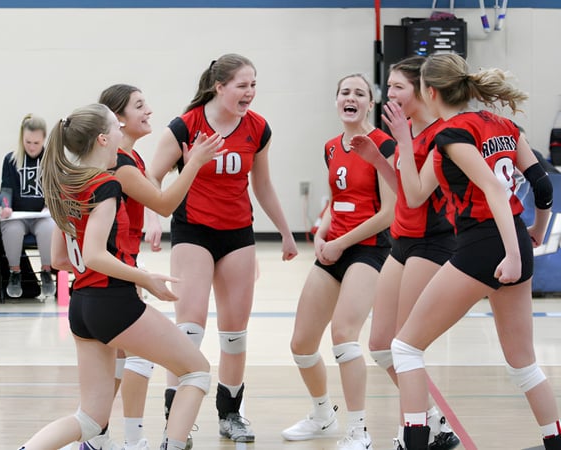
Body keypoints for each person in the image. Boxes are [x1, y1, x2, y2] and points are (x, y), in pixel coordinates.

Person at [377, 53, 561, 450]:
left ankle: (415, 444)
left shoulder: (452, 134)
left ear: (429, 91)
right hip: (512, 236)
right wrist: (535, 233)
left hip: (485, 244)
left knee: (405, 348)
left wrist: (512, 255)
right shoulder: (504, 126)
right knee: (524, 366)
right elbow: (415, 193)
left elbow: (494, 190)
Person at [19, 103, 211, 450]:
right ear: (105, 138)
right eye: (117, 127)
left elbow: (62, 259)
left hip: (81, 306)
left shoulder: (66, 185)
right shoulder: (104, 185)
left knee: (90, 420)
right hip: (111, 301)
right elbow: (93, 253)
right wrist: (143, 276)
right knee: (196, 372)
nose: (123, 131)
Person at [147, 54, 298, 444]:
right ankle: (174, 417)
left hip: (237, 235)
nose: (249, 92)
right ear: (219, 87)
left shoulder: (258, 128)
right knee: (189, 330)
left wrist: (285, 231)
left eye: (253, 84)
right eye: (242, 85)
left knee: (234, 334)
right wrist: (152, 219)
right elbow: (151, 175)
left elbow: (262, 185)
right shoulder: (186, 126)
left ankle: (230, 414)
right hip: (193, 230)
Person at [77, 84, 224, 450]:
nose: (149, 111)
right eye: (139, 106)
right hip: (112, 280)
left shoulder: (130, 162)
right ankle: (132, 438)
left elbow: (148, 204)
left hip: (109, 277)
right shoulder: (121, 167)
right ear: (118, 121)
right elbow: (163, 203)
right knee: (157, 361)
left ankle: (103, 438)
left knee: (121, 362)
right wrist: (193, 163)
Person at [281, 73, 395, 450]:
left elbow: (389, 214)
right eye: (345, 92)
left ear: (370, 104)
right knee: (301, 343)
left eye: (359, 93)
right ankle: (322, 414)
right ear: (336, 101)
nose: (351, 97)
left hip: (370, 249)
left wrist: (341, 242)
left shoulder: (382, 144)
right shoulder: (331, 147)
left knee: (344, 336)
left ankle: (359, 431)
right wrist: (320, 231)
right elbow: (336, 198)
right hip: (334, 247)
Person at [352, 57, 460, 449]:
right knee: (381, 344)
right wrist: (379, 161)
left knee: (405, 345)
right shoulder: (408, 131)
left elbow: (420, 196)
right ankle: (433, 419)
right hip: (403, 241)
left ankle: (409, 435)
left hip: (434, 242)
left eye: (398, 87)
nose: (390, 94)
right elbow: (402, 192)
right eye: (390, 86)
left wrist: (398, 140)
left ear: (422, 90)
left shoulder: (440, 135)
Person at [0, 114, 56, 299]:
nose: (31, 147)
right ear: (21, 139)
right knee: (12, 230)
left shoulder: (51, 159)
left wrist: (50, 206)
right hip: (18, 216)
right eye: (28, 142)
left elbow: (57, 189)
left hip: (42, 216)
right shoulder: (11, 160)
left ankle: (47, 272)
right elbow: (5, 189)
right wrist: (5, 206)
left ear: (44, 139)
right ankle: (15, 273)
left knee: (49, 229)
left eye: (36, 143)